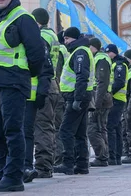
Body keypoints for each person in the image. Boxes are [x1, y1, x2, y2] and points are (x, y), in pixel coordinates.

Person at [0, 0, 45, 192]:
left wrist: (26, 74)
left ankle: (14, 177)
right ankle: (2, 173)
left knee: (12, 130)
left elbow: (37, 54)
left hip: (13, 82)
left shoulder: (22, 18)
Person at [54, 27, 93, 175]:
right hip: (81, 96)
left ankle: (68, 163)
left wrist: (77, 98)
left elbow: (81, 76)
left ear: (74, 39)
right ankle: (82, 164)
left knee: (65, 130)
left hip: (76, 97)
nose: (65, 42)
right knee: (80, 132)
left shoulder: (80, 53)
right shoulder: (81, 51)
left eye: (67, 39)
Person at [25, 8, 58, 181]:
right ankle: (46, 164)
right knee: (47, 127)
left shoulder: (41, 37)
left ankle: (43, 166)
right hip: (52, 84)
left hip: (43, 85)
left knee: (41, 128)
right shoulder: (53, 35)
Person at [88, 38, 112, 167]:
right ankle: (103, 156)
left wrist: (96, 102)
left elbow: (102, 82)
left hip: (100, 98)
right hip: (103, 97)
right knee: (100, 128)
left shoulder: (101, 59)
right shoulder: (102, 58)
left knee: (93, 128)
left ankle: (101, 156)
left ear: (93, 47)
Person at [105, 45, 127, 165]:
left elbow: (119, 82)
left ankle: (113, 156)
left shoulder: (119, 65)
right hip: (117, 99)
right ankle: (116, 156)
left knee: (111, 127)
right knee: (117, 127)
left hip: (116, 99)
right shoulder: (117, 64)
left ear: (113, 53)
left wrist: (109, 92)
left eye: (108, 53)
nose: (107, 55)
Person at [54, 31, 70, 166]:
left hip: (58, 93)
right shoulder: (66, 51)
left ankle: (59, 159)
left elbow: (57, 72)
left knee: (56, 128)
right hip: (64, 93)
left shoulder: (59, 50)